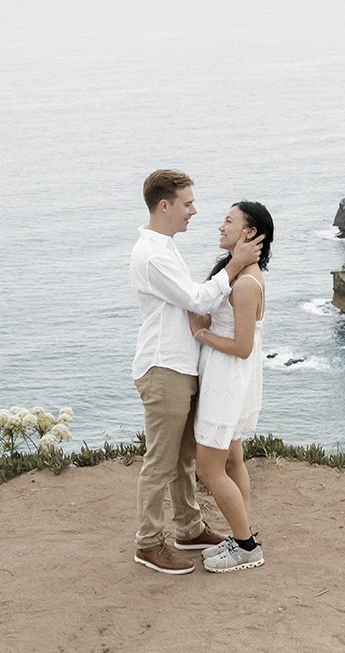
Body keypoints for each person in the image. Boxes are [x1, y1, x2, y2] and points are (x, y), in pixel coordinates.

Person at [129, 169, 262, 575]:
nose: (195, 211)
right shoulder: (152, 255)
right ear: (165, 205)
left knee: (184, 457)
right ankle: (149, 543)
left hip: (183, 367)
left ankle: (188, 527)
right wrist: (235, 264)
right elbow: (194, 298)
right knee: (162, 460)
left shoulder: (167, 248)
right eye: (187, 203)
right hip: (164, 366)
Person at [190, 201, 273, 573]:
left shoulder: (245, 285)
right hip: (232, 380)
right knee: (234, 458)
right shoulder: (240, 273)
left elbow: (242, 347)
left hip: (227, 380)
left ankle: (245, 545)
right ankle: (244, 533)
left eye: (229, 220)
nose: (220, 225)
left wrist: (201, 334)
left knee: (209, 469)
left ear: (250, 233)